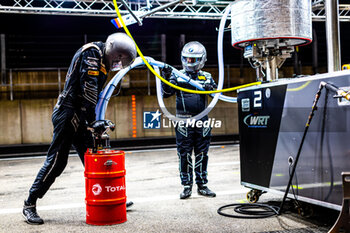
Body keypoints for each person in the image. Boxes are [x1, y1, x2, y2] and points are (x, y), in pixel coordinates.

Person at [22, 32, 137, 225]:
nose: (119, 65)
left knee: (93, 159)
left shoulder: (101, 56)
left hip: (80, 112)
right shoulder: (92, 53)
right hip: (68, 113)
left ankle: (108, 197)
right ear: (116, 54)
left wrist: (93, 121)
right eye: (120, 60)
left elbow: (91, 95)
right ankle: (29, 204)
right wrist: (94, 121)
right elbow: (89, 89)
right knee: (57, 162)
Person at [161, 41, 217, 199]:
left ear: (202, 59)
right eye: (187, 59)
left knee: (202, 154)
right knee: (184, 154)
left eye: (193, 59)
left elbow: (216, 94)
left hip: (202, 121)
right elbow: (166, 93)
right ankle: (186, 186)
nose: (189, 62)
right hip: (183, 122)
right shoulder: (177, 75)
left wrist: (210, 89)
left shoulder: (207, 77)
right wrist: (164, 75)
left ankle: (202, 185)